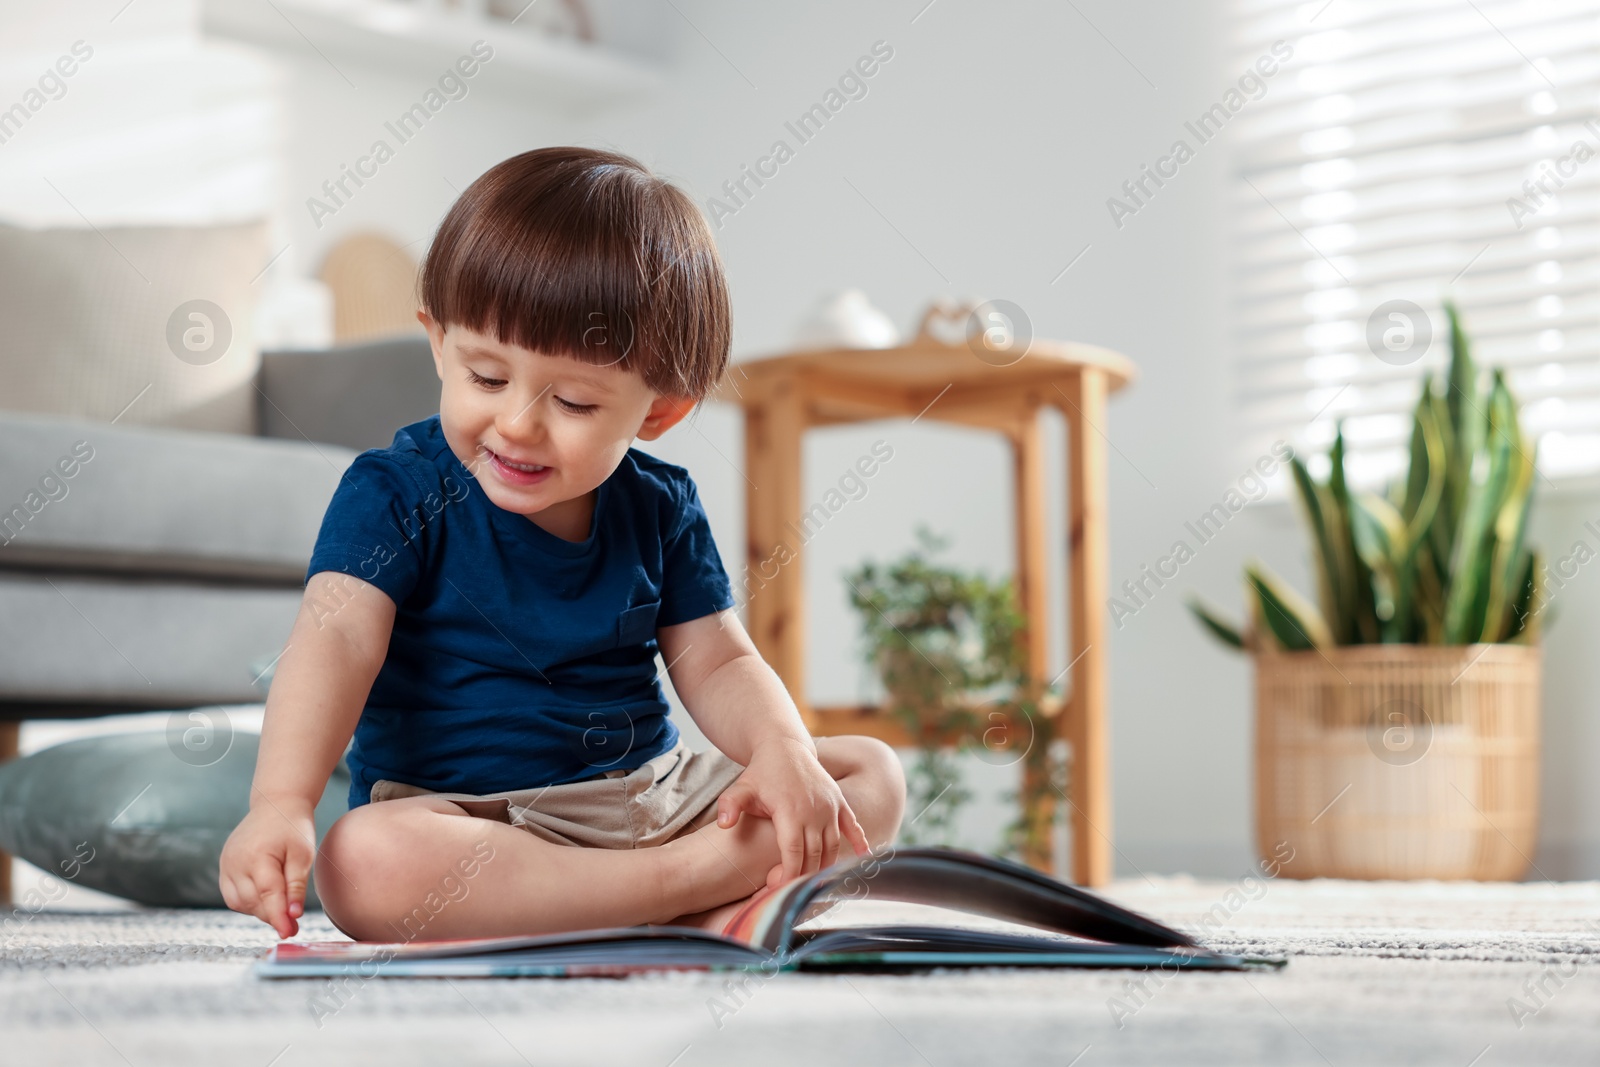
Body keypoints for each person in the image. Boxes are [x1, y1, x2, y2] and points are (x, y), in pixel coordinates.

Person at [217, 147, 905, 942]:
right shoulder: (394, 492)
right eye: (486, 377)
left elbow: (720, 662)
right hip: (482, 827)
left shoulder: (659, 506)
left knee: (867, 774)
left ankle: (651, 894)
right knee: (363, 863)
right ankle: (691, 890)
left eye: (574, 401)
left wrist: (782, 750)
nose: (517, 422)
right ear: (437, 343)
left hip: (651, 798)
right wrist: (280, 803)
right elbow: (333, 639)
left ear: (659, 412)